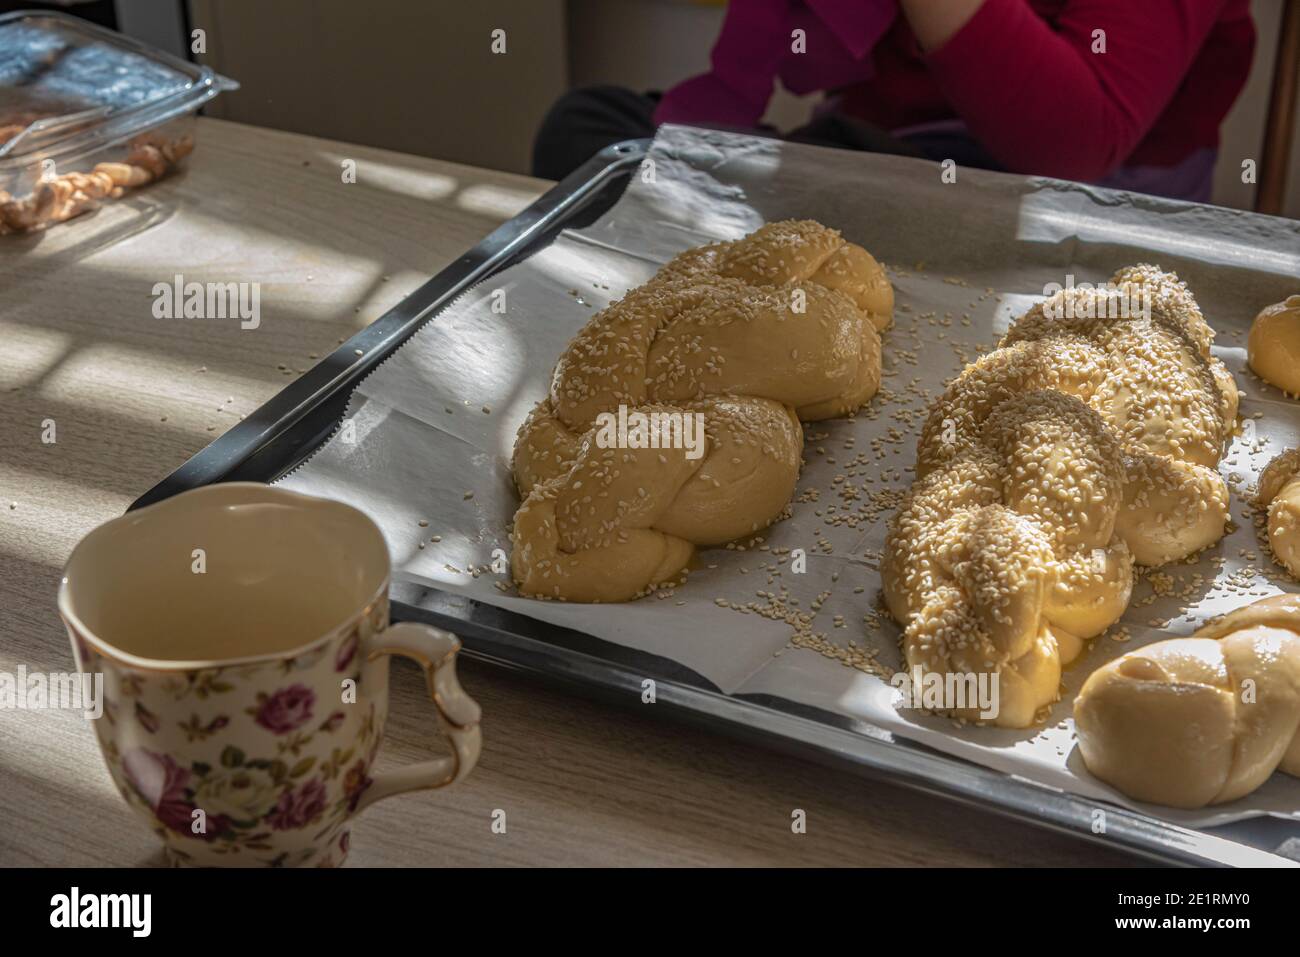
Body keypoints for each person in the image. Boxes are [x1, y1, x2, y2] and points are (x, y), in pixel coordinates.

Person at [533, 0, 1255, 202]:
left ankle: (703, 221)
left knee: (829, 170)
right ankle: (711, 217)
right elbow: (811, 63)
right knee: (592, 125)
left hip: (1050, 206)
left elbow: (1075, 142)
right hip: (867, 155)